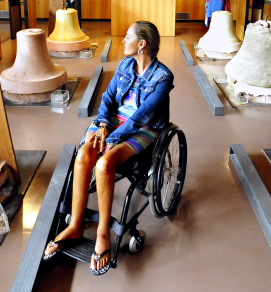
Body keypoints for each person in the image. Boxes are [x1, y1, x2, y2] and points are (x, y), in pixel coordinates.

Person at [42, 21, 173, 276]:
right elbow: (108, 98)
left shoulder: (163, 77)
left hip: (142, 129)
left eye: (127, 37)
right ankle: (76, 225)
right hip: (112, 122)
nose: (123, 41)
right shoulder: (125, 65)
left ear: (142, 44)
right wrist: (101, 124)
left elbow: (142, 116)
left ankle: (103, 234)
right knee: (84, 156)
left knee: (104, 164)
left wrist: (113, 136)